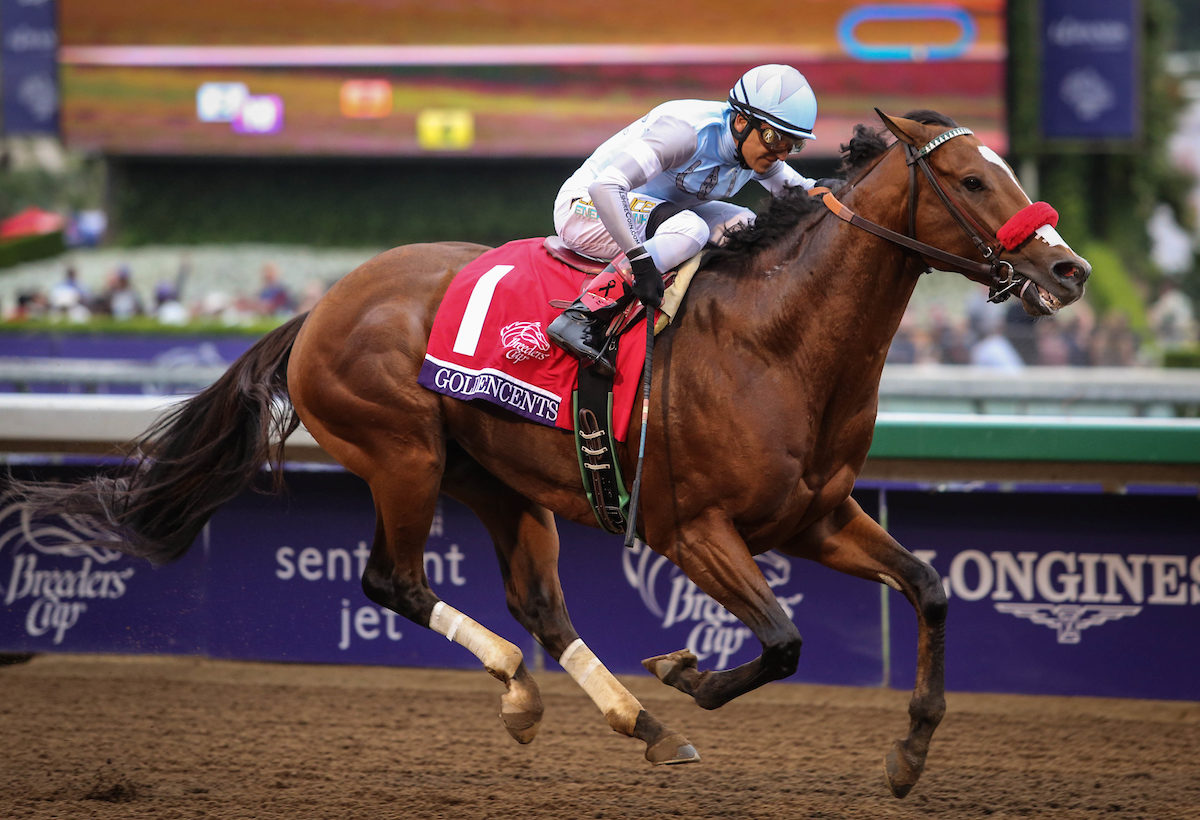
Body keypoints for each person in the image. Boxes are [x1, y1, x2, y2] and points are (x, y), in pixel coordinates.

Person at [548, 64, 820, 375]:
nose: (781, 154)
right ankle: (583, 315)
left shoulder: (756, 148)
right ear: (742, 120)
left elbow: (804, 194)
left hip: (654, 211)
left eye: (793, 145)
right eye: (774, 138)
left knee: (745, 225)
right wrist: (640, 260)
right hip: (586, 206)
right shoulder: (686, 134)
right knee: (690, 229)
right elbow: (605, 186)